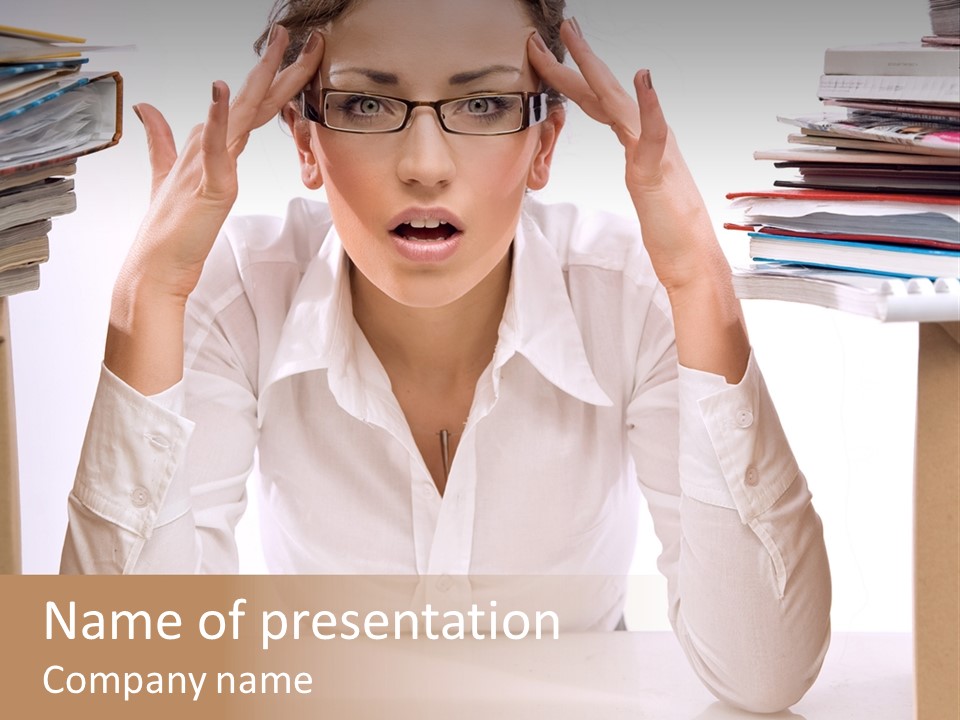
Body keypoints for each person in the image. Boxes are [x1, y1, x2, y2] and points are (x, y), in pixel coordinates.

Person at [62, 0, 831, 711]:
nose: (425, 165)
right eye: (367, 103)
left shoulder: (630, 292)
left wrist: (700, 279)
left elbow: (764, 677)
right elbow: (122, 681)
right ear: (306, 142)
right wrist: (147, 301)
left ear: (543, 143)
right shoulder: (234, 298)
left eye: (483, 104)